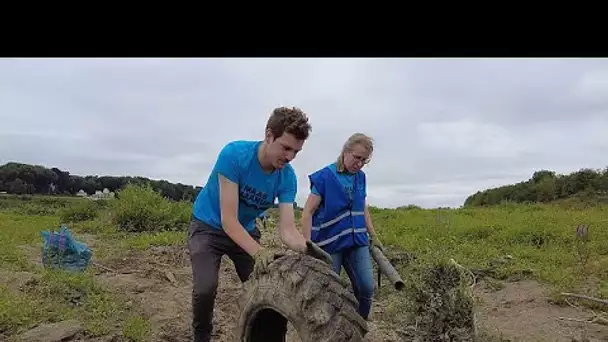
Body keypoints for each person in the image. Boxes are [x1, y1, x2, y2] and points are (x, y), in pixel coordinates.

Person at [188, 106, 332, 342]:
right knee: (205, 287)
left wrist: (307, 248)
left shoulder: (287, 177)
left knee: (270, 286)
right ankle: (201, 336)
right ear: (268, 135)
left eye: (296, 151)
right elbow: (228, 220)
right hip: (208, 226)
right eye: (286, 148)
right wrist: (259, 251)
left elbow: (287, 230)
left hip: (244, 229)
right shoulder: (234, 155)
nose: (289, 157)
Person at [300, 133, 384, 321]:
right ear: (346, 152)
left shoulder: (360, 178)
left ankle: (359, 326)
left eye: (365, 160)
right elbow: (307, 213)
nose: (360, 164)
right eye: (357, 158)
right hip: (331, 243)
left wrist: (373, 234)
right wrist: (307, 245)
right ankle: (325, 328)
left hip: (357, 240)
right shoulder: (324, 177)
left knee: (366, 287)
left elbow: (362, 206)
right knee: (328, 289)